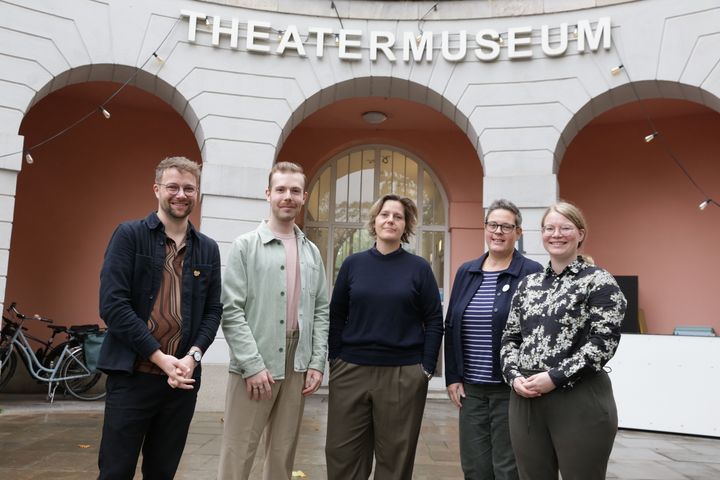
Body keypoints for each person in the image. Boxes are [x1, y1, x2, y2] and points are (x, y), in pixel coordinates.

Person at [97, 156, 222, 479]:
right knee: (115, 471)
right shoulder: (129, 235)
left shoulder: (207, 249)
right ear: (157, 189)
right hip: (132, 376)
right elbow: (113, 306)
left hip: (182, 382)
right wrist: (160, 357)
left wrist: (192, 358)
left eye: (189, 188)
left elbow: (213, 310)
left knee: (162, 472)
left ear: (197, 193)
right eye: (173, 187)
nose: (181, 194)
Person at [217, 161, 329, 480]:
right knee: (238, 452)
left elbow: (321, 310)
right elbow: (232, 310)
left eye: (295, 191)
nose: (287, 196)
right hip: (254, 359)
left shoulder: (311, 253)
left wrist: (317, 363)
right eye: (280, 189)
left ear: (304, 196)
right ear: (268, 194)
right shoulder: (245, 246)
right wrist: (252, 365)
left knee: (282, 454)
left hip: (297, 362)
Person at [500, 201, 627, 480]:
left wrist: (555, 377)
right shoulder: (527, 285)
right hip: (527, 398)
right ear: (542, 234)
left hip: (578, 396)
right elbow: (510, 337)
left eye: (565, 228)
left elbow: (603, 343)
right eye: (549, 228)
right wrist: (513, 376)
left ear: (580, 234)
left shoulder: (599, 281)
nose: (556, 234)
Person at [325, 194, 444, 480]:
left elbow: (434, 320)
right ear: (374, 221)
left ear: (406, 225)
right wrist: (335, 358)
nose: (390, 220)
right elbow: (337, 313)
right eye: (384, 214)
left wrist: (425, 369)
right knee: (341, 453)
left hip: (403, 374)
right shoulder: (353, 265)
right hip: (351, 370)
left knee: (395, 458)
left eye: (398, 216)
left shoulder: (419, 268)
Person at [444, 199, 542, 480]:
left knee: (507, 467)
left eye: (506, 227)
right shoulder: (467, 271)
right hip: (471, 389)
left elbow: (536, 331)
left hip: (509, 388)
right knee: (475, 466)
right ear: (485, 228)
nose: (498, 232)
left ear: (518, 233)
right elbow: (452, 326)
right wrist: (453, 376)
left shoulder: (531, 272)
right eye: (493, 225)